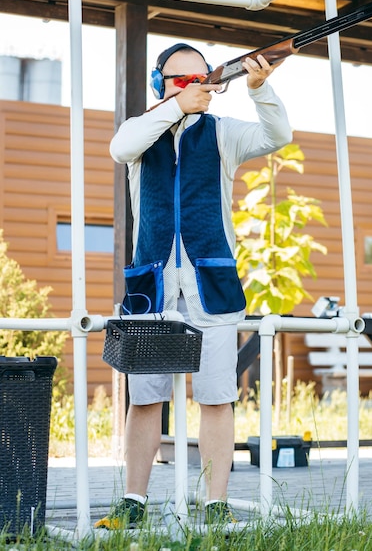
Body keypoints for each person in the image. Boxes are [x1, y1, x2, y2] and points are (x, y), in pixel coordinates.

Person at [94, 42, 292, 529]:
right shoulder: (142, 134)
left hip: (212, 287)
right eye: (179, 80)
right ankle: (133, 501)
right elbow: (119, 147)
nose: (191, 88)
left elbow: (278, 134)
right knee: (145, 398)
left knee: (216, 397)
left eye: (200, 79)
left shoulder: (223, 133)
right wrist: (174, 108)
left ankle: (216, 503)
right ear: (160, 83)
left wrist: (259, 88)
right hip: (153, 291)